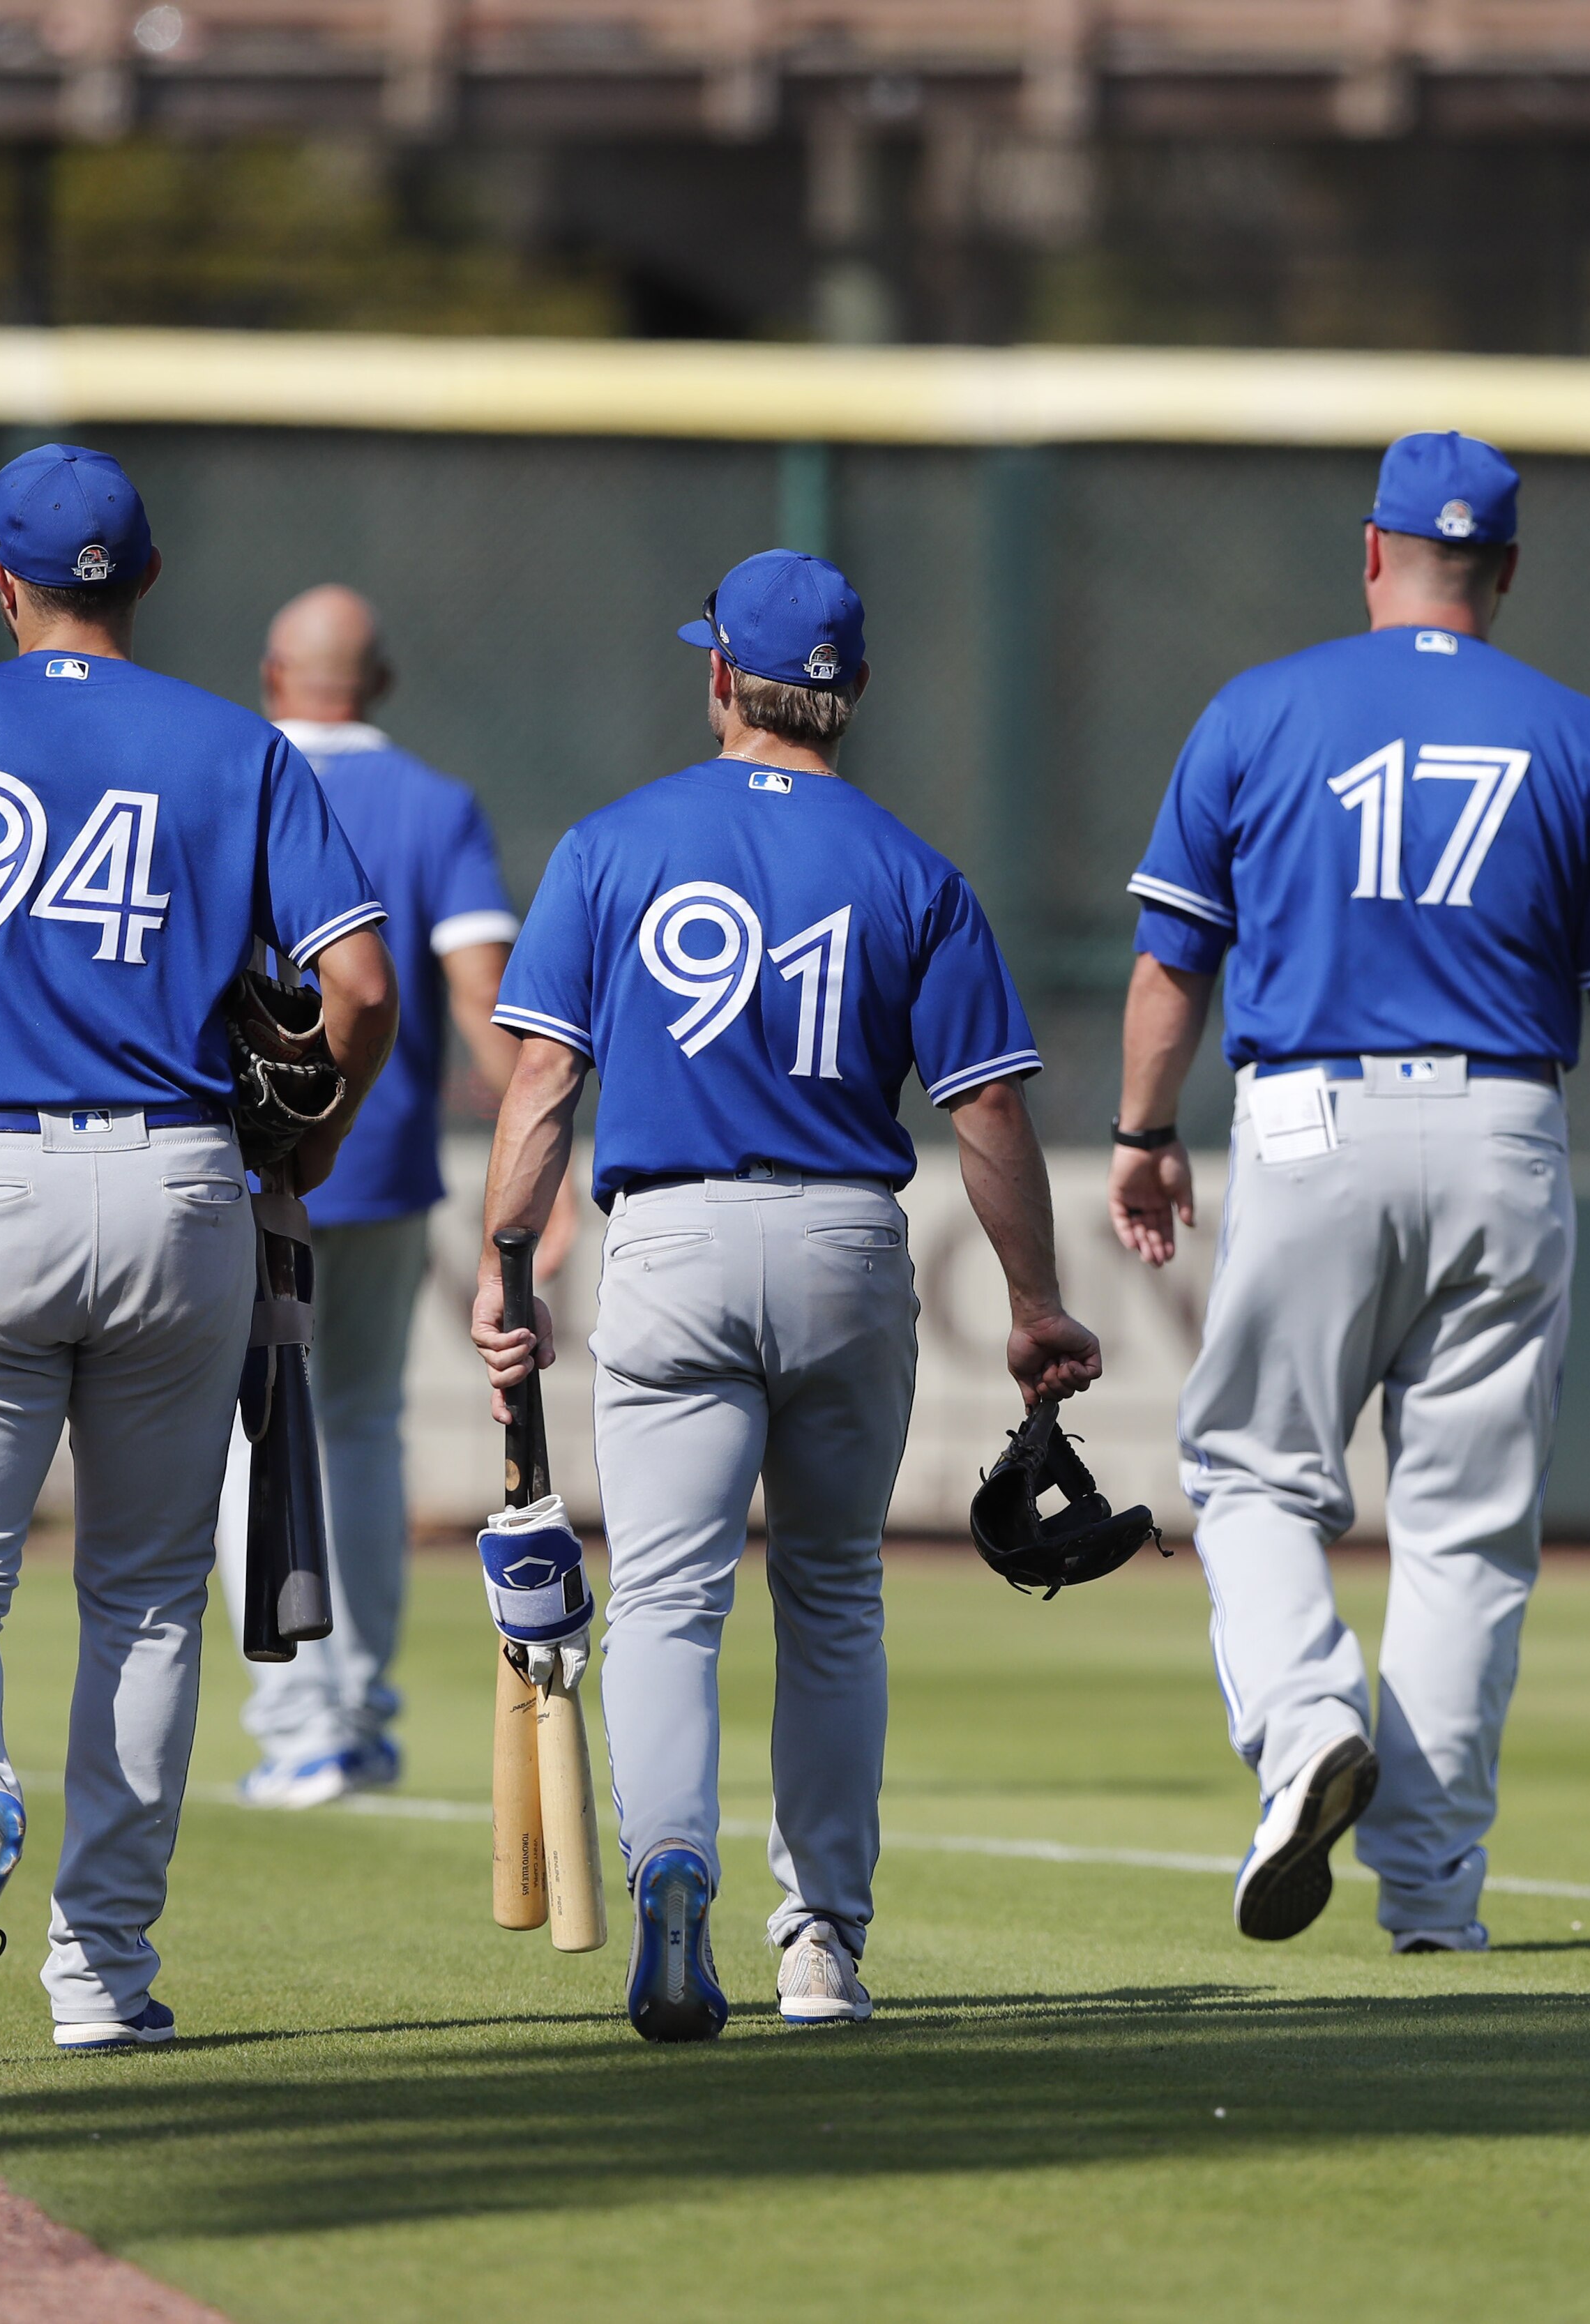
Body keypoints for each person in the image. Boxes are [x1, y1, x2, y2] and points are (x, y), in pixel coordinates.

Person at [471, 549, 1103, 2042]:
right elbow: (986, 1109)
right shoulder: (913, 868)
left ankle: (670, 1866)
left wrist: (508, 1264)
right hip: (843, 1240)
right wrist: (1034, 1301)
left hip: (675, 1237)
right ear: (854, 692)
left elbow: (545, 1080)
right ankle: (820, 1941)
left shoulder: (612, 843)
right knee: (831, 1601)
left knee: (667, 1601)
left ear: (718, 676)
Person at [1105, 432, 1590, 1954]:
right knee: (1466, 1532)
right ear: (1505, 570)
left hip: (1311, 1116)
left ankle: (1309, 1719)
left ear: (1372, 550)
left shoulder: (1259, 709)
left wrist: (1141, 1127)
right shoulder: (1578, 735)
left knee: (1256, 1473)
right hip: (1508, 1124)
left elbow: (1174, 958)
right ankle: (1433, 1896)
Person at [0, 444, 397, 2056]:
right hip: (178, 1182)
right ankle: (102, 1978)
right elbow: (359, 987)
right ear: (143, 577)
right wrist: (310, 1146)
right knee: (144, 1593)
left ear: (1, 578)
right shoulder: (238, 743)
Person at [222, 584, 568, 1809]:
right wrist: (542, 1168)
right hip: (376, 1156)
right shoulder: (434, 802)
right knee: (364, 1425)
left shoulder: (227, 772)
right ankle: (361, 1711)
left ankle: (299, 1722)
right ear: (381, 683)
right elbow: (482, 994)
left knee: (254, 1430)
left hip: (244, 1157)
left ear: (274, 674)